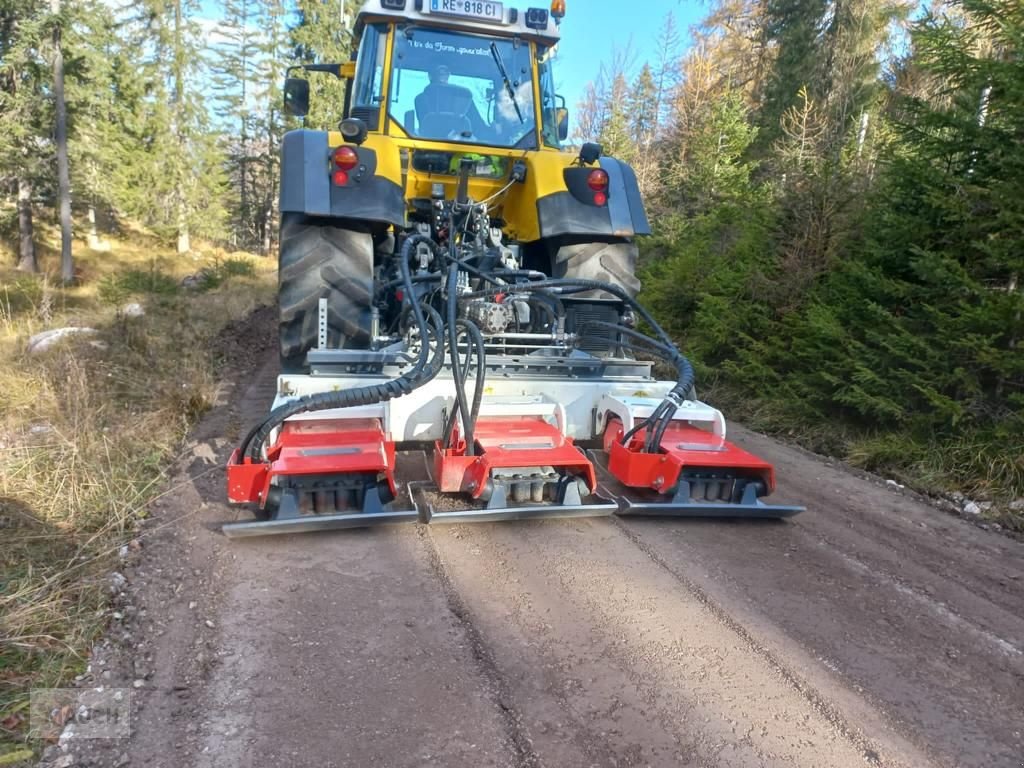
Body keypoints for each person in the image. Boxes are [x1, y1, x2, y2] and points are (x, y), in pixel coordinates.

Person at [415, 65, 489, 140]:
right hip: (428, 145)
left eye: (445, 73)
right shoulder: (422, 99)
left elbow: (479, 128)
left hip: (461, 145)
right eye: (440, 73)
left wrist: (495, 133)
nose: (443, 76)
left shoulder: (464, 99)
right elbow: (426, 130)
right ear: (430, 75)